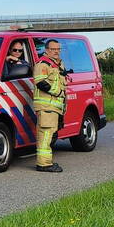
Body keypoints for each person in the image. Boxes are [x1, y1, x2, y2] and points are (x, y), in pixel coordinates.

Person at [33, 39, 68, 172]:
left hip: (56, 107)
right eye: (53, 49)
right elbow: (40, 82)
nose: (56, 52)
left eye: (58, 49)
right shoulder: (42, 64)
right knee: (45, 134)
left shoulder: (58, 64)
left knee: (51, 134)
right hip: (46, 107)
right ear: (47, 50)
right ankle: (44, 164)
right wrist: (58, 92)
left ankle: (47, 162)